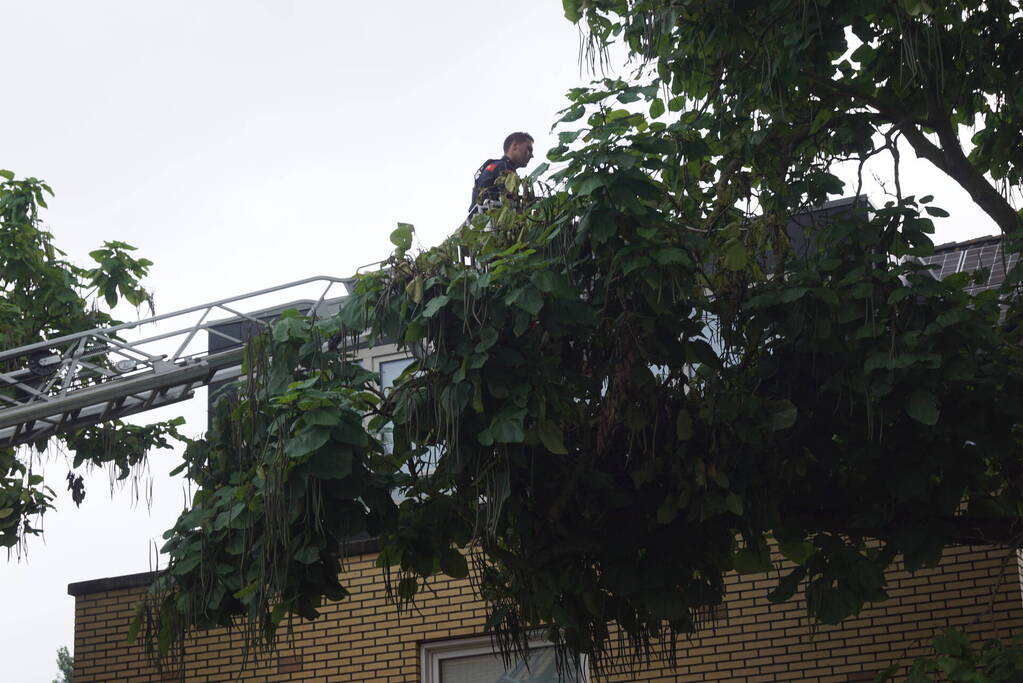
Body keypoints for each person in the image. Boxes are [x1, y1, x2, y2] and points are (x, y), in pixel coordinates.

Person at [467, 132, 534, 218]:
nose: (531, 155)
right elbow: (509, 204)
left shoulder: (491, 165)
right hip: (492, 221)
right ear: (515, 146)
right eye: (529, 149)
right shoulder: (505, 168)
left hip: (477, 220)